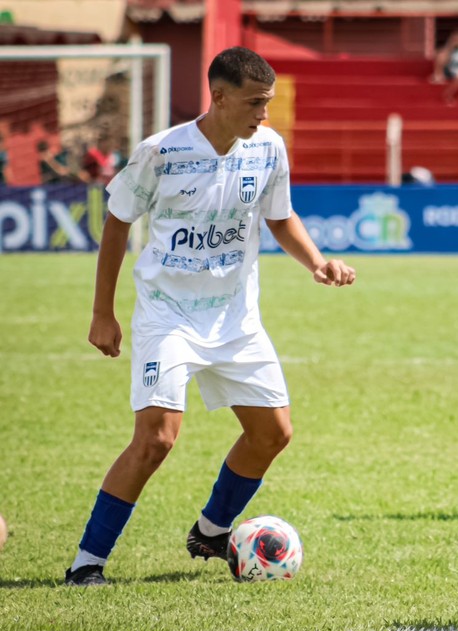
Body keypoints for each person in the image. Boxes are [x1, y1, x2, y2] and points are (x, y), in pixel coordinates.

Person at [64, 46, 357, 586]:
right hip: (169, 316)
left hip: (235, 320)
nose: (264, 115)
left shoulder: (267, 148)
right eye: (255, 103)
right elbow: (117, 222)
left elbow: (281, 216)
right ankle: (88, 562)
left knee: (273, 433)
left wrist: (317, 262)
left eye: (266, 103)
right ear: (218, 97)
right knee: (157, 438)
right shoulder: (162, 153)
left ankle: (212, 529)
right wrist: (102, 312)